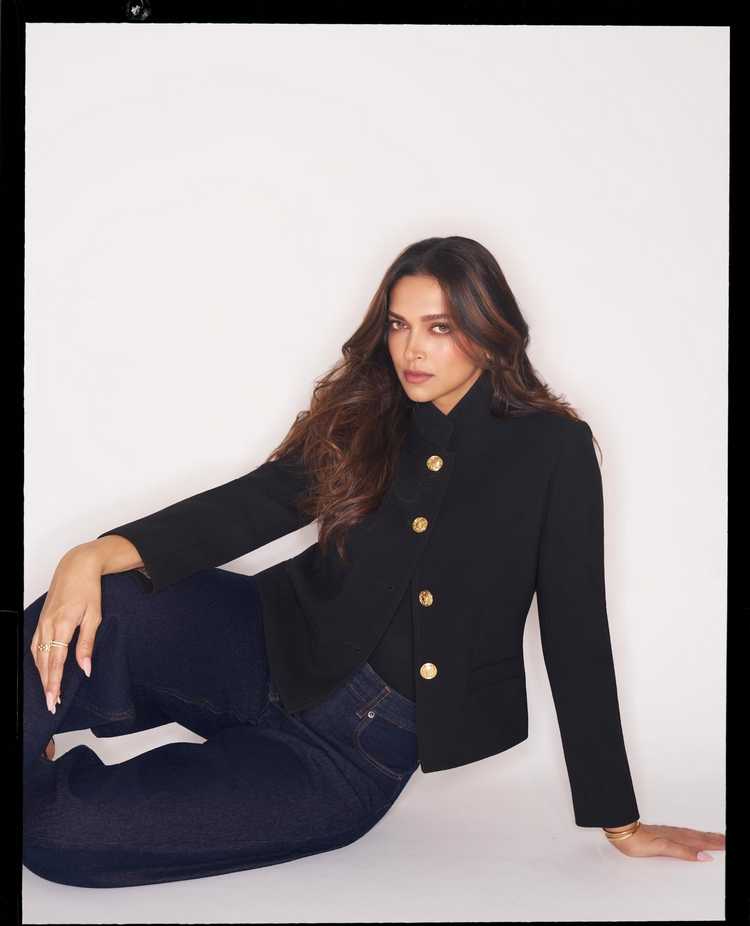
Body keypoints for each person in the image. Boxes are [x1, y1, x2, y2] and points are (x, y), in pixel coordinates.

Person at [23, 236, 724, 888]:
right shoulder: (371, 414)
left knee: (61, 835)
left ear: (489, 330)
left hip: (348, 754)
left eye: (439, 327)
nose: (411, 349)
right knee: (96, 601)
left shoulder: (553, 449)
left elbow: (576, 630)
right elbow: (253, 504)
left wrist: (619, 820)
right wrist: (94, 552)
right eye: (398, 324)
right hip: (261, 647)